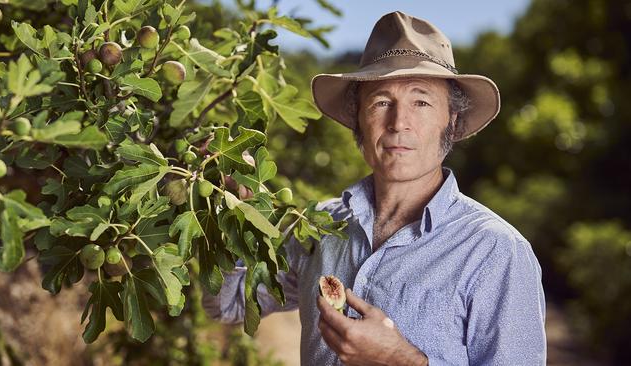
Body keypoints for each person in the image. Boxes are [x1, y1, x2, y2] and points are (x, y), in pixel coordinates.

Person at [202, 11, 546, 366]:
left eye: (421, 102)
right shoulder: (319, 226)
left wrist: (402, 361)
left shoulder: (496, 251)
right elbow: (229, 304)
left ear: (452, 121)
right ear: (358, 120)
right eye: (382, 102)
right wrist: (234, 210)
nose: (399, 123)